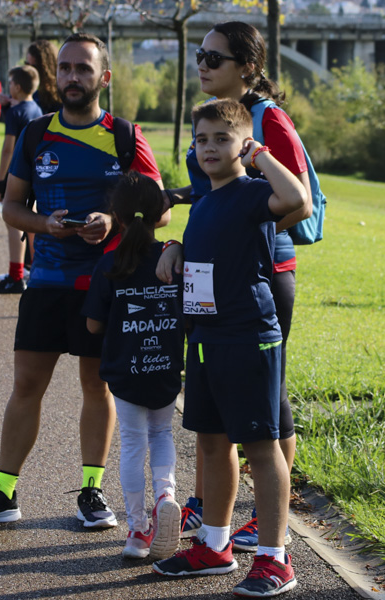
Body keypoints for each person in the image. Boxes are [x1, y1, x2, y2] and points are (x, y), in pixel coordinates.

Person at [0, 33, 163, 532]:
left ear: (102, 78)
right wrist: (43, 225)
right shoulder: (36, 133)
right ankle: (4, 491)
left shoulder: (126, 136)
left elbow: (158, 214)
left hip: (104, 282)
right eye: (65, 68)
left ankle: (92, 490)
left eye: (83, 69)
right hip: (46, 281)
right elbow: (12, 207)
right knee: (27, 385)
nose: (72, 77)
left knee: (96, 386)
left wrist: (115, 223)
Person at [166, 21, 313, 550]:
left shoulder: (265, 120)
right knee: (215, 423)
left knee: (264, 410)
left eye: (214, 57)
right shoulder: (211, 122)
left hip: (262, 275)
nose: (202, 65)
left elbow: (293, 199)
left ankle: (268, 527)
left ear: (246, 66)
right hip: (212, 293)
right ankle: (213, 519)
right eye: (200, 55)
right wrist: (181, 221)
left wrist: (246, 219)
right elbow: (214, 192)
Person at [151, 98, 307, 597]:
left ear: (243, 142)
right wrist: (176, 247)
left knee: (260, 446)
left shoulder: (252, 191)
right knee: (214, 441)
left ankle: (274, 558)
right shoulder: (208, 200)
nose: (210, 147)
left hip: (248, 336)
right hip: (206, 338)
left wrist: (260, 154)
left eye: (223, 138)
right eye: (202, 139)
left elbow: (298, 200)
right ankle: (214, 546)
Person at [83, 172, 183, 560]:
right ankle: (166, 496)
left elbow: (93, 324)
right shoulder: (173, 258)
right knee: (162, 434)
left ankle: (139, 530)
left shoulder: (109, 263)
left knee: (132, 441)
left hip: (126, 371)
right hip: (166, 368)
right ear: (161, 214)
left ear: (116, 216)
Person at [0, 65, 42, 294]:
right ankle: (38, 272)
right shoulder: (36, 109)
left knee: (13, 224)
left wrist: (0, 181)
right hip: (36, 174)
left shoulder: (14, 114)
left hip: (18, 174)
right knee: (34, 225)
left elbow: (8, 149)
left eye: (10, 84)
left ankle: (16, 275)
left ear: (17, 87)